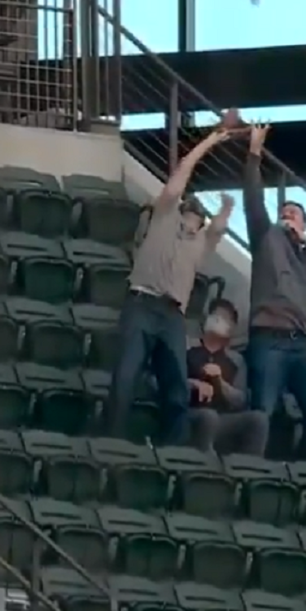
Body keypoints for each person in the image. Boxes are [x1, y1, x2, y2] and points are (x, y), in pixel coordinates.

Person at [103, 128, 235, 445]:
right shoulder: (163, 217)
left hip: (172, 313)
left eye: (197, 214)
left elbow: (219, 225)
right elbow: (180, 177)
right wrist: (210, 141)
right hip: (142, 302)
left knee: (175, 383)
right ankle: (111, 441)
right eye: (189, 209)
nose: (193, 214)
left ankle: (172, 451)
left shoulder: (202, 242)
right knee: (126, 375)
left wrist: (227, 206)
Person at [241, 124, 306, 462]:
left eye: (294, 214)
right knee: (262, 412)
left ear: (304, 224)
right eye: (284, 212)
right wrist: (254, 153)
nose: (287, 217)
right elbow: (253, 200)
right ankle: (252, 472)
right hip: (268, 336)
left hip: (301, 342)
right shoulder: (266, 239)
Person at [185, 298, 269, 456]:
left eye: (224, 318)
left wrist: (220, 382)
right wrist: (194, 384)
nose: (217, 319)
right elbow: (164, 380)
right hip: (190, 414)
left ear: (231, 328)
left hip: (222, 419)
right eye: (214, 315)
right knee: (208, 417)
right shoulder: (188, 346)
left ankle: (248, 473)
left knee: (258, 420)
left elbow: (240, 401)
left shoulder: (236, 360)